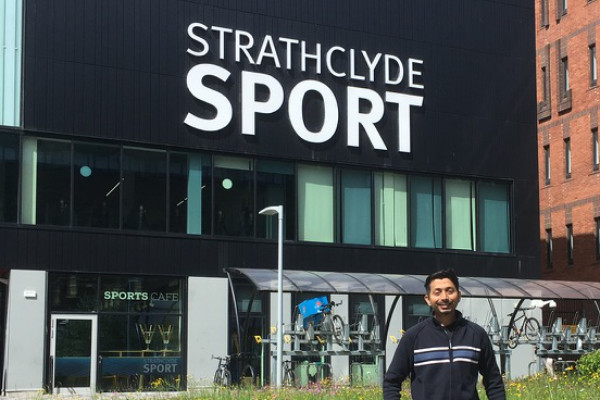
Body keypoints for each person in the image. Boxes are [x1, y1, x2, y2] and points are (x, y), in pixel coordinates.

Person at [383, 269, 506, 400]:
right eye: (437, 292)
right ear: (428, 299)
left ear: (459, 295)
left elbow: (493, 382)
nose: (444, 297)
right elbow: (391, 382)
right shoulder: (413, 337)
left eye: (450, 291)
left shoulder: (476, 334)